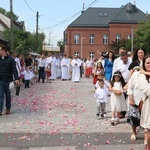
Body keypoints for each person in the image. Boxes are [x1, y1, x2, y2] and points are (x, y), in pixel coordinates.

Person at [0, 45, 19, 115]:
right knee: (0, 95)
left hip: (8, 80)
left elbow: (14, 69)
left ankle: (8, 108)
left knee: (8, 95)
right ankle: (0, 110)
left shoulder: (10, 59)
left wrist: (16, 78)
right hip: (0, 80)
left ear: (4, 51)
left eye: (0, 50)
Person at [127, 66, 144, 141]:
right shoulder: (136, 74)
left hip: (146, 100)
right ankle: (133, 132)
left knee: (146, 119)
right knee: (134, 118)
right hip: (135, 99)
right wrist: (131, 98)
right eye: (147, 63)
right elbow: (130, 87)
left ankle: (146, 136)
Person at [137, 56, 150, 150]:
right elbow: (147, 89)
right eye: (148, 63)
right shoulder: (141, 76)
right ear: (144, 64)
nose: (149, 65)